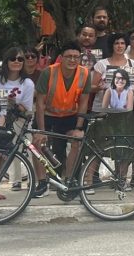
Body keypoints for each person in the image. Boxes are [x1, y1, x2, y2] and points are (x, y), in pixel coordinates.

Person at [33, 41, 92, 198]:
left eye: (76, 57)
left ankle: (70, 179)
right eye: (69, 57)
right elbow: (39, 103)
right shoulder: (49, 72)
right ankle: (41, 182)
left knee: (77, 142)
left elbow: (84, 102)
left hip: (71, 115)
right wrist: (41, 130)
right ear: (61, 58)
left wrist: (79, 127)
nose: (72, 60)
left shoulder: (85, 73)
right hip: (48, 114)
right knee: (36, 143)